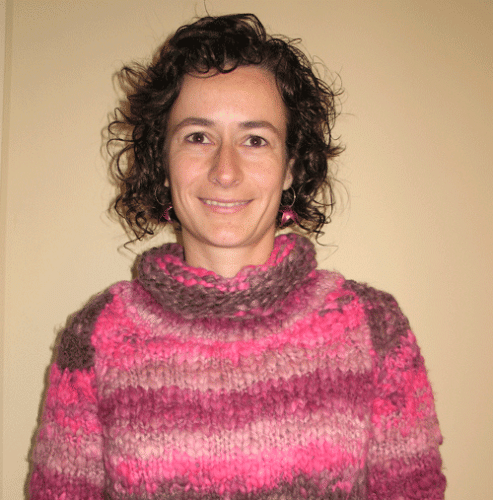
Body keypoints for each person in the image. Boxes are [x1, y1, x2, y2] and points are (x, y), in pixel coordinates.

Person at [29, 13, 446, 500]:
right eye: (198, 136)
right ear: (162, 161)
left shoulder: (374, 329)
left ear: (290, 167)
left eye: (255, 140)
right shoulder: (96, 337)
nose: (225, 170)